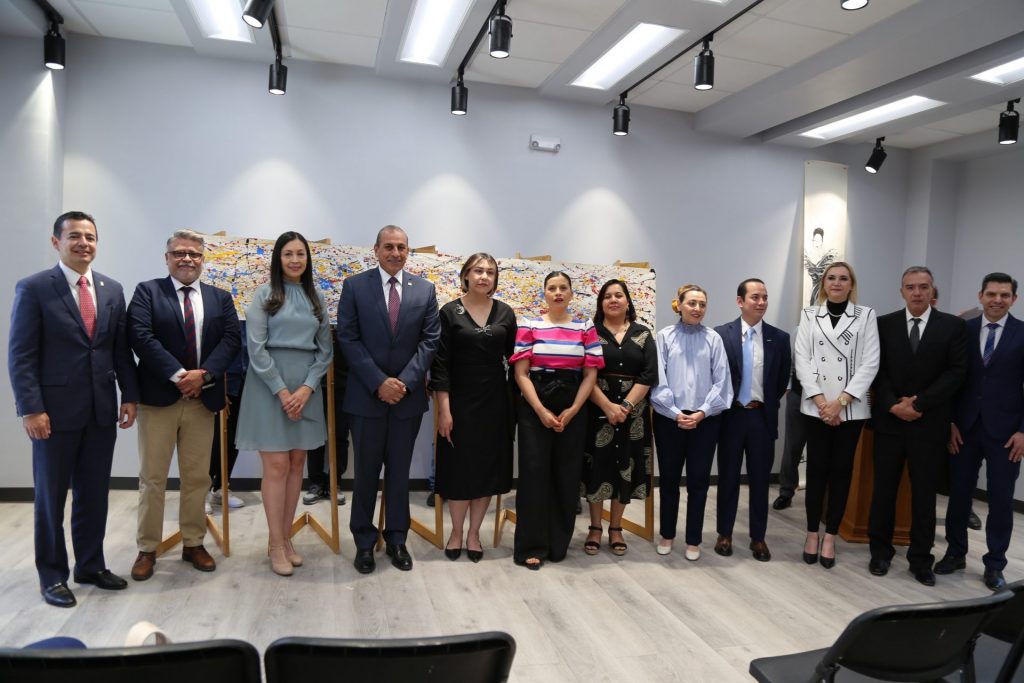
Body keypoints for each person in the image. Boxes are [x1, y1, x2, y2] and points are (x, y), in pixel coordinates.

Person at [8, 211, 139, 607]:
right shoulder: (34, 288)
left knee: (94, 494)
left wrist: (129, 395)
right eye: (75, 236)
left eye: (90, 237)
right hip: (52, 414)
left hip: (101, 411)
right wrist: (31, 408)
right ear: (57, 242)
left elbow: (119, 350)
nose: (84, 243)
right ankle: (52, 576)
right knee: (51, 499)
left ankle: (90, 565)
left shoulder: (112, 289)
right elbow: (21, 355)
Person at [128, 229, 241, 581]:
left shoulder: (220, 298)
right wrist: (180, 375)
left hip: (201, 402)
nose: (187, 259)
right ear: (167, 258)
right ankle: (148, 548)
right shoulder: (147, 292)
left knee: (197, 478)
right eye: (179, 253)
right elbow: (140, 337)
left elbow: (231, 339)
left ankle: (194, 542)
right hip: (158, 401)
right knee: (153, 479)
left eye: (194, 253)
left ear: (203, 259)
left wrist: (203, 376)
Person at [337, 225, 440, 574]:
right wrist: (379, 382)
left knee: (399, 474)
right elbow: (348, 338)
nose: (395, 253)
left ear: (408, 251)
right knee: (365, 474)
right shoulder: (354, 286)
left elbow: (429, 341)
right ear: (376, 250)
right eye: (389, 247)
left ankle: (397, 539)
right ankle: (364, 543)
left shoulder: (424, 290)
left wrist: (404, 383)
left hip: (407, 401)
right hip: (366, 397)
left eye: (401, 247)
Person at [235, 231, 332, 576]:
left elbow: (325, 351)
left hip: (306, 388)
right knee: (276, 466)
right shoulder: (264, 295)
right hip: (268, 387)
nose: (294, 260)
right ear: (278, 258)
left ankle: (285, 538)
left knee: (296, 464)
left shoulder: (316, 297)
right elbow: (256, 348)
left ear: (308, 259)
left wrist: (306, 389)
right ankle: (275, 543)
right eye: (288, 253)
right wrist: (282, 391)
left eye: (300, 254)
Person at [868, 266, 966, 586]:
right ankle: (880, 552)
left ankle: (921, 559)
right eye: (910, 287)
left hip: (929, 424)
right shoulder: (883, 324)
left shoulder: (952, 326)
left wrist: (919, 404)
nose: (917, 292)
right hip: (889, 423)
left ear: (932, 290)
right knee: (884, 490)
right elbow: (876, 369)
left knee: (924, 496)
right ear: (902, 292)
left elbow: (956, 373)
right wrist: (892, 405)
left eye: (923, 286)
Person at [936, 272, 1024, 591]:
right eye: (991, 294)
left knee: (1000, 500)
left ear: (1014, 299)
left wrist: (1023, 431)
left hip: (1007, 433)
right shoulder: (964, 330)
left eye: (1004, 295)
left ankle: (995, 564)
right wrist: (949, 422)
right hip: (964, 428)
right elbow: (950, 379)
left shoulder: (1022, 333)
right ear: (980, 296)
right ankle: (955, 553)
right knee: (959, 494)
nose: (997, 300)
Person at [511, 271, 602, 570]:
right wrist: (540, 411)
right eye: (552, 288)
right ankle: (531, 546)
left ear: (572, 294)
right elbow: (521, 374)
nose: (558, 292)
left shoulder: (585, 326)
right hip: (535, 403)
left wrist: (574, 409)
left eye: (564, 288)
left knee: (566, 475)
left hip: (573, 402)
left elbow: (590, 375)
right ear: (545, 294)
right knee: (534, 474)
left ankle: (557, 543)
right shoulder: (529, 324)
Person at [430, 253, 517, 562]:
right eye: (478, 271)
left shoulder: (505, 312)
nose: (484, 276)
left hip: (495, 402)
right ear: (466, 275)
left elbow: (515, 362)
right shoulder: (448, 312)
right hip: (458, 402)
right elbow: (440, 365)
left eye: (490, 272)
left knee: (485, 472)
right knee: (459, 471)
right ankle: (456, 532)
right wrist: (444, 409)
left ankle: (474, 534)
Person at [794, 261, 879, 569]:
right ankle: (811, 533)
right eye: (831, 278)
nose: (837, 283)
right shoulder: (809, 315)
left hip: (850, 409)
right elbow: (802, 359)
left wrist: (839, 402)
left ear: (851, 284)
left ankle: (830, 535)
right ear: (824, 283)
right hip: (816, 407)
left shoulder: (866, 315)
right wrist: (822, 402)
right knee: (816, 471)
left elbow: (870, 363)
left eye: (844, 278)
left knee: (842, 471)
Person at [651, 285, 731, 560]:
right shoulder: (664, 337)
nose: (697, 309)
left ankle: (694, 540)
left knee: (699, 481)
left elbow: (722, 381)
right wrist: (674, 412)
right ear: (679, 305)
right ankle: (667, 534)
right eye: (692, 303)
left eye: (702, 304)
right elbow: (658, 379)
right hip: (669, 420)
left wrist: (703, 412)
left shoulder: (713, 339)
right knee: (669, 480)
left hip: (704, 421)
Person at [714, 279, 791, 561]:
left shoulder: (779, 338)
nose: (761, 302)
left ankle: (758, 538)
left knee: (760, 480)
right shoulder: (721, 334)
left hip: (761, 416)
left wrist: (764, 402)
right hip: (731, 416)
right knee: (728, 478)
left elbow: (781, 380)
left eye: (765, 297)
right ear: (740, 301)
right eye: (755, 297)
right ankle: (724, 534)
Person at [581, 279, 656, 557]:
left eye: (619, 295)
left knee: (626, 466)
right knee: (597, 467)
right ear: (601, 303)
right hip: (597, 410)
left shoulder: (643, 334)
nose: (613, 300)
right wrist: (607, 407)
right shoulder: (590, 332)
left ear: (627, 301)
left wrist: (624, 406)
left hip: (633, 415)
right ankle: (595, 527)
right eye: (607, 296)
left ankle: (615, 528)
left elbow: (649, 374)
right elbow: (584, 373)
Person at [303, 335, 350, 507]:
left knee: (340, 434)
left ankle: (335, 482)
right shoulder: (315, 316)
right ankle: (315, 482)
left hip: (344, 380)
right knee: (315, 436)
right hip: (314, 380)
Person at [206, 320, 247, 515]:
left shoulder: (257, 306)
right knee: (215, 440)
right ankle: (202, 491)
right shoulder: (222, 308)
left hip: (246, 379)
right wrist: (217, 386)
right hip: (224, 379)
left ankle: (221, 486)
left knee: (235, 439)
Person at [772, 327, 806, 511]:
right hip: (799, 395)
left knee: (821, 449)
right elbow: (790, 363)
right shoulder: (799, 330)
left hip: (830, 401)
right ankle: (786, 491)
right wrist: (788, 388)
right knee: (793, 445)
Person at [803, 227, 838, 306]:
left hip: (822, 283)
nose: (817, 242)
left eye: (819, 240)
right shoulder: (810, 254)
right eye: (815, 240)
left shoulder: (824, 254)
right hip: (811, 283)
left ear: (822, 241)